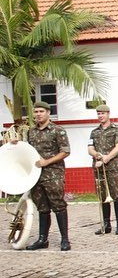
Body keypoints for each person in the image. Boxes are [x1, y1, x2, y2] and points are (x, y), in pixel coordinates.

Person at [21, 101, 71, 251]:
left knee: (58, 205)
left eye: (41, 111)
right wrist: (17, 143)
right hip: (36, 175)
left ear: (48, 113)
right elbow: (26, 149)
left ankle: (65, 239)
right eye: (36, 112)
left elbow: (65, 151)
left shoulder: (58, 130)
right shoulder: (31, 131)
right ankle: (43, 239)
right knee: (42, 208)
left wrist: (46, 162)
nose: (38, 114)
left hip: (53, 174)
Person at [87, 104, 118, 236]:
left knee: (116, 195)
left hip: (112, 167)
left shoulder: (116, 129)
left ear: (108, 114)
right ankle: (106, 224)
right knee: (103, 196)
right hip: (99, 168)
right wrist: (96, 155)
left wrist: (106, 158)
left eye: (103, 113)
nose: (100, 116)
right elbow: (90, 148)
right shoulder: (94, 132)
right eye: (98, 114)